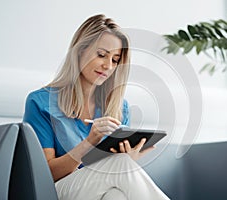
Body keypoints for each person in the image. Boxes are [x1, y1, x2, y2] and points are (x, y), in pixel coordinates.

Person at [23, 14, 169, 200]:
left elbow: (115, 172)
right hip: (58, 191)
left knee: (116, 196)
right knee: (119, 166)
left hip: (99, 189)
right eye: (102, 55)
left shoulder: (119, 107)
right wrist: (89, 143)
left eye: (115, 60)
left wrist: (129, 158)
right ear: (80, 51)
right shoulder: (40, 102)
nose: (108, 66)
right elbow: (46, 175)